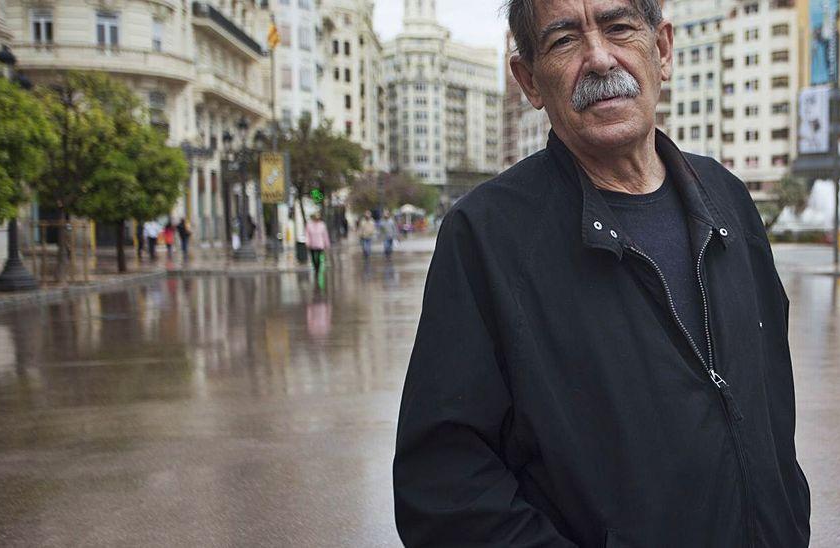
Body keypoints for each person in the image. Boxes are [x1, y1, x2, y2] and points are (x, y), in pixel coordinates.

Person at [393, 1, 810, 545]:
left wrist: (787, 519)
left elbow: (772, 399)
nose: (599, 58)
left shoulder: (727, 199)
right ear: (529, 80)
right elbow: (443, 486)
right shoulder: (486, 236)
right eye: (564, 40)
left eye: (618, 28)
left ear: (662, 49)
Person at [305, 213, 330, 279]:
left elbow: (325, 235)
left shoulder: (322, 225)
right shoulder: (309, 225)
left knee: (319, 257)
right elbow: (307, 235)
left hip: (320, 244)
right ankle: (315, 266)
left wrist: (326, 243)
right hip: (312, 244)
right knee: (313, 257)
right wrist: (307, 242)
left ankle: (317, 268)